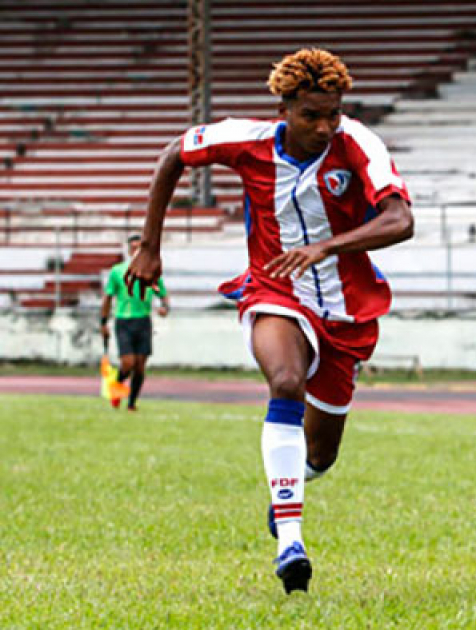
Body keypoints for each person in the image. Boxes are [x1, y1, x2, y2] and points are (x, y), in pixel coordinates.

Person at [123, 48, 414, 593]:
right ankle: (290, 541)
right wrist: (149, 246)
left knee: (321, 454)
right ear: (284, 108)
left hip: (346, 309)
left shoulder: (359, 144)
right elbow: (173, 154)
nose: (325, 126)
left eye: (333, 113)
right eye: (311, 115)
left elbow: (401, 219)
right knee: (286, 381)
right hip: (274, 287)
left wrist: (326, 247)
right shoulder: (246, 141)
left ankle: (286, 487)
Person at [100, 234, 169, 411]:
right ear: (128, 249)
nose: (136, 251)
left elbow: (162, 294)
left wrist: (165, 308)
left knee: (139, 366)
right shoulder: (117, 271)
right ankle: (116, 387)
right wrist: (103, 321)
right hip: (124, 320)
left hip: (143, 320)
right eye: (133, 247)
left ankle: (131, 403)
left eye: (140, 247)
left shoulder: (152, 270)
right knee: (128, 363)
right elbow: (108, 297)